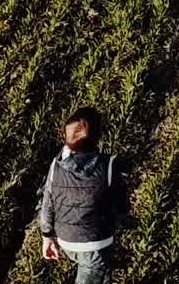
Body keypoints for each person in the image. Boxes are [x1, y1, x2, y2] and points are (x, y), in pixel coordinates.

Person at [37, 106, 127, 283]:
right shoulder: (108, 165)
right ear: (98, 138)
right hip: (95, 243)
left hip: (65, 239)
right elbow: (122, 203)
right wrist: (122, 215)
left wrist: (47, 237)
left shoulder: (56, 165)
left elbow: (47, 202)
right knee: (94, 274)